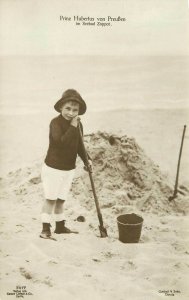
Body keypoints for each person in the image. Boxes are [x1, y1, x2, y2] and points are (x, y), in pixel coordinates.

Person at [40, 89, 92, 239]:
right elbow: (60, 143)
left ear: (79, 111)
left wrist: (87, 159)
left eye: (75, 110)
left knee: (61, 199)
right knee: (51, 199)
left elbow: (79, 145)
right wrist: (73, 126)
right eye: (68, 109)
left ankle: (60, 226)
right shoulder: (55, 123)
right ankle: (45, 229)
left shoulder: (78, 125)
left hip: (69, 168)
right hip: (53, 168)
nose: (71, 113)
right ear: (61, 107)